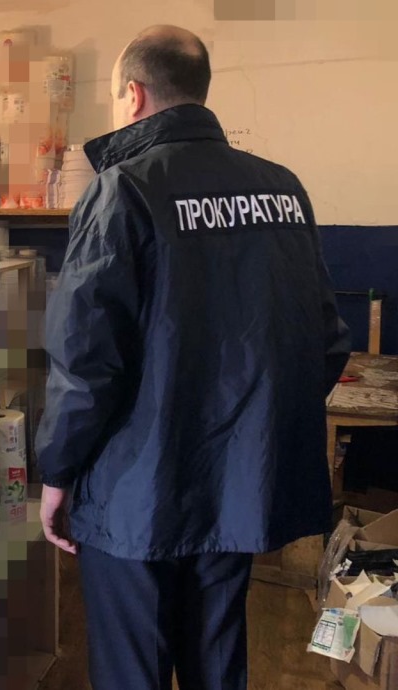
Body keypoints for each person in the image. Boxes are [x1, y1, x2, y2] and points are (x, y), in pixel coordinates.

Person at [35, 24, 351, 690]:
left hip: (133, 497)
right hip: (237, 489)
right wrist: (249, 435)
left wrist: (57, 472)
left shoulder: (124, 189)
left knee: (134, 672)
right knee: (217, 660)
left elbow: (87, 363)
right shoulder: (282, 189)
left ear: (133, 94)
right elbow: (323, 341)